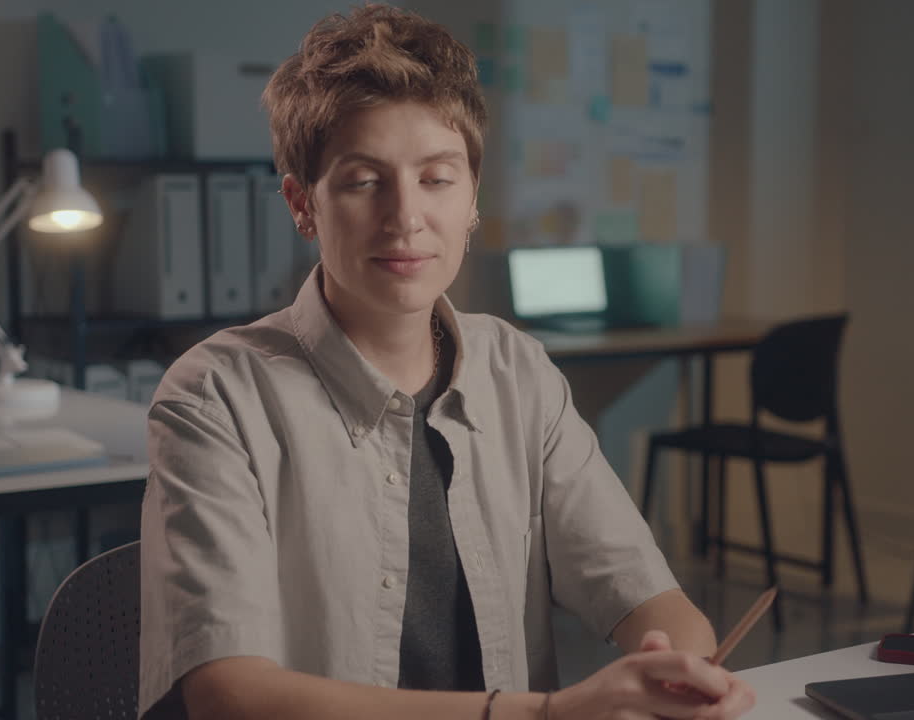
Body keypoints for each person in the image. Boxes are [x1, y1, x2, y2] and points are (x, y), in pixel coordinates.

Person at [138, 6, 756, 720]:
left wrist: (681, 666)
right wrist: (545, 714)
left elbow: (649, 596)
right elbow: (229, 696)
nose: (406, 216)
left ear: (471, 202)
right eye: (365, 181)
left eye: (436, 178)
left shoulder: (518, 372)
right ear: (302, 205)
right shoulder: (216, 396)